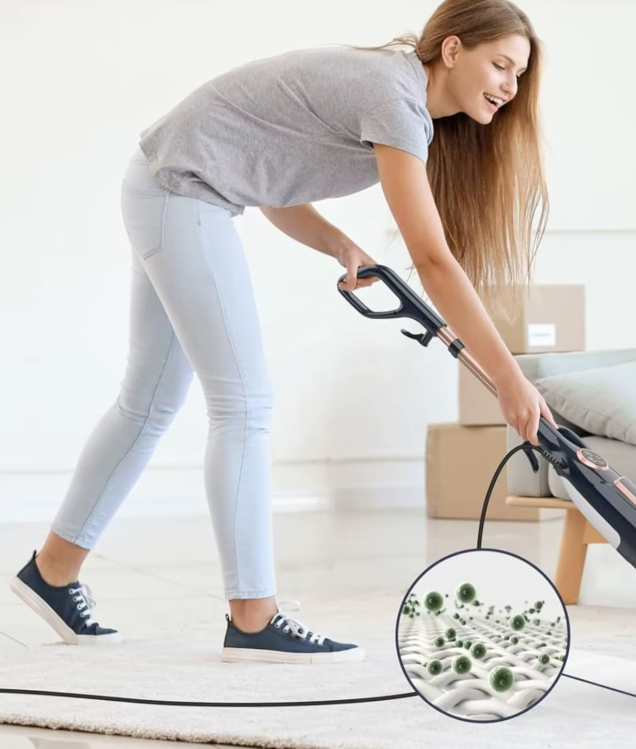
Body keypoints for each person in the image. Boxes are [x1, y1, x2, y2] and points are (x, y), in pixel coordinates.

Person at [9, 0, 555, 664]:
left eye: (519, 75)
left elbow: (268, 173)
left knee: (146, 403)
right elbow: (434, 261)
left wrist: (336, 242)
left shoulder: (394, 92)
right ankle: (253, 616)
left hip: (165, 187)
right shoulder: (395, 98)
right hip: (182, 193)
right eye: (500, 65)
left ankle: (53, 571)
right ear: (452, 50)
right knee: (242, 405)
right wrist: (509, 379)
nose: (509, 86)